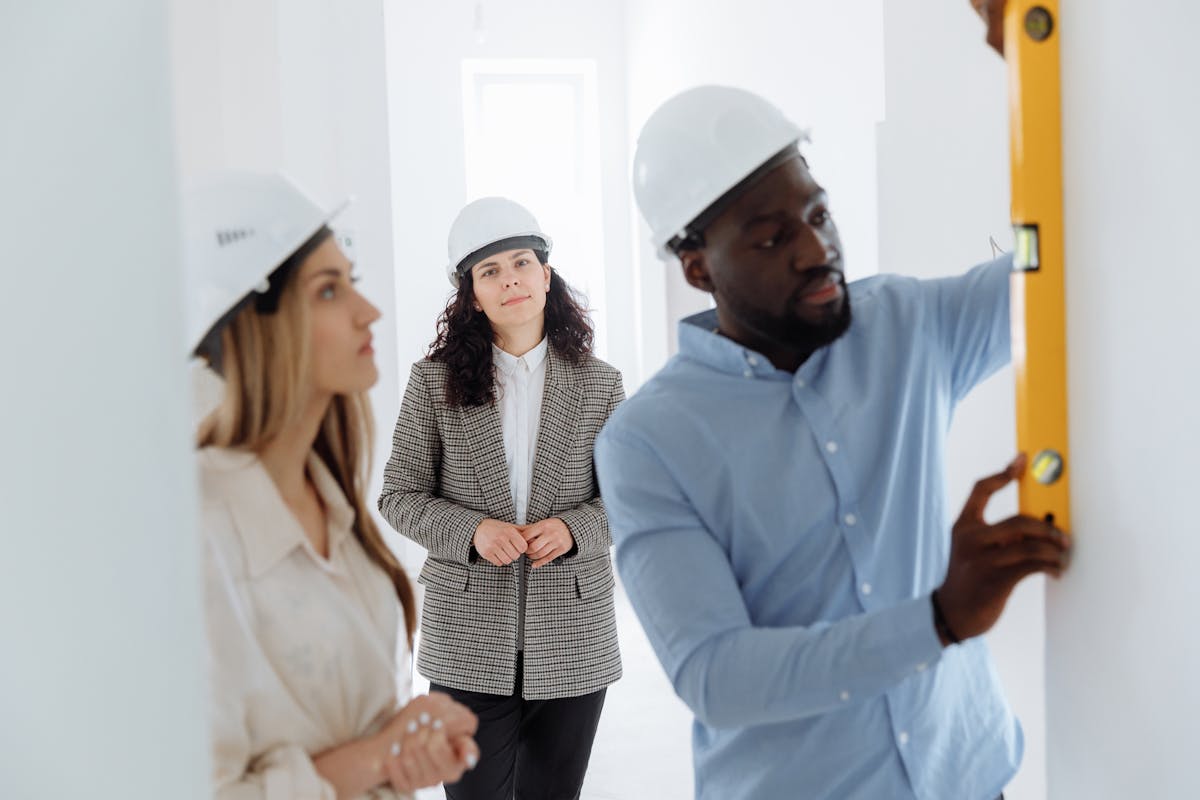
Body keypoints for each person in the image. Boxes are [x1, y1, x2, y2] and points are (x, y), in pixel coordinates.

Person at [593, 82, 1072, 799]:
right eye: (772, 237)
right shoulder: (647, 443)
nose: (817, 250)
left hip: (968, 776)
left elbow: (1058, 264)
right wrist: (937, 620)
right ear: (697, 266)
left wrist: (1032, 69)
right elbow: (716, 675)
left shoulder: (908, 324)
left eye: (818, 215)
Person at [185, 171, 480, 799]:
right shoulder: (195, 528)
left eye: (352, 281)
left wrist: (401, 745)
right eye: (328, 290)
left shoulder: (333, 507)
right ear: (251, 326)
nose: (368, 311)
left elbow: (339, 734)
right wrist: (378, 757)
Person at [378, 197, 623, 799]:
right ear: (471, 295)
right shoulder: (433, 382)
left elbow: (633, 500)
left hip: (573, 634)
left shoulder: (601, 384)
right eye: (489, 271)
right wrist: (471, 531)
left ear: (546, 276)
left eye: (521, 263)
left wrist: (574, 529)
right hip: (466, 637)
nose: (510, 279)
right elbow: (399, 495)